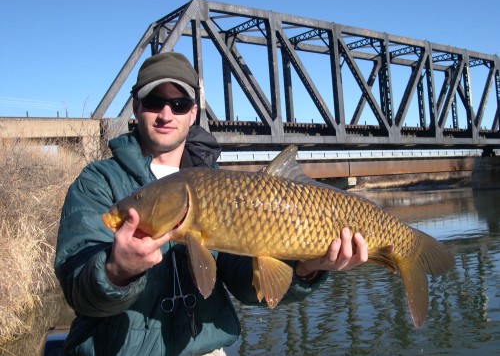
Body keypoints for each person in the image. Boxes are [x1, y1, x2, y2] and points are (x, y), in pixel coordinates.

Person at [54, 52, 368, 355]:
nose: (166, 114)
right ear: (136, 107)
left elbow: (248, 285)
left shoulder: (219, 187)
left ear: (193, 113)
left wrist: (309, 266)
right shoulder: (98, 182)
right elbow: (77, 290)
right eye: (154, 102)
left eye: (179, 104)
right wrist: (116, 271)